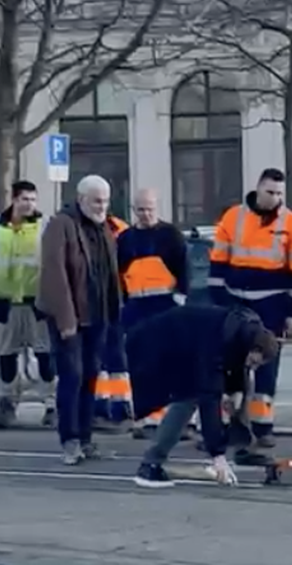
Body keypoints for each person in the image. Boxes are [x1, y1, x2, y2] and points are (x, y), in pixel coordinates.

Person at [208, 168, 292, 452]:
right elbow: (218, 262)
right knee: (230, 365)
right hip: (236, 301)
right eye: (270, 192)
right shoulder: (233, 217)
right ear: (258, 189)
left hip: (272, 305)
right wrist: (220, 303)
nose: (275, 198)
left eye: (279, 193)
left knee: (266, 365)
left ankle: (263, 427)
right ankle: (230, 426)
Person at [127, 304, 280, 488]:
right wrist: (217, 456)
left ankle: (242, 444)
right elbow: (209, 401)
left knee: (242, 386)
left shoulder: (243, 332)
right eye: (253, 361)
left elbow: (238, 363)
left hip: (183, 343)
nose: (253, 366)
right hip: (157, 346)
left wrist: (235, 391)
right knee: (188, 399)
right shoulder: (216, 344)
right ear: (252, 349)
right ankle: (150, 465)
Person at [37, 175, 122, 465]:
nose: (102, 206)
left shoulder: (103, 228)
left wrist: (114, 313)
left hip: (98, 317)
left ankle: (86, 439)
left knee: (89, 378)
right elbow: (54, 275)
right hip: (71, 318)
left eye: (106, 201)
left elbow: (110, 273)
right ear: (82, 198)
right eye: (97, 201)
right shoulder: (61, 225)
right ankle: (70, 440)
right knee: (71, 377)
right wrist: (65, 321)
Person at [0, 181, 55, 429]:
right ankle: (7, 404)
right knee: (7, 356)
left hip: (37, 301)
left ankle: (51, 405)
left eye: (33, 199)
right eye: (25, 199)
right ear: (14, 200)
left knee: (44, 355)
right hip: (6, 301)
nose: (30, 204)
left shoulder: (44, 226)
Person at [116, 188, 190, 440]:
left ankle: (175, 421)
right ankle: (145, 419)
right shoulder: (125, 239)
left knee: (171, 363)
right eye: (140, 209)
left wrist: (180, 298)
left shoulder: (171, 236)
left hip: (165, 307)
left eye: (149, 209)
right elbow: (118, 277)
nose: (145, 214)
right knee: (140, 365)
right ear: (133, 210)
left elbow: (185, 270)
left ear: (156, 208)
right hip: (137, 309)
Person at [91, 212, 132, 429]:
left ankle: (117, 408)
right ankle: (104, 409)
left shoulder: (121, 232)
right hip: (97, 301)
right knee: (102, 358)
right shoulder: (120, 230)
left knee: (113, 358)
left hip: (114, 301)